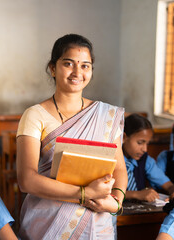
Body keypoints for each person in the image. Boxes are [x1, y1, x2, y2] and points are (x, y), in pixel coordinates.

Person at [16, 33, 128, 240]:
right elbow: (26, 180)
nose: (77, 72)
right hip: (49, 222)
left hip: (97, 220)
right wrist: (84, 193)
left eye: (85, 65)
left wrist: (116, 202)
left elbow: (119, 168)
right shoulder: (35, 115)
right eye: (69, 63)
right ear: (52, 68)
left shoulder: (106, 115)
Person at [123, 113, 174, 202]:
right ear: (123, 137)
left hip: (134, 214)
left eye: (147, 143)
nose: (145, 149)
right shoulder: (111, 160)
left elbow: (169, 186)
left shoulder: (145, 160)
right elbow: (105, 192)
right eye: (140, 142)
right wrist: (136, 194)